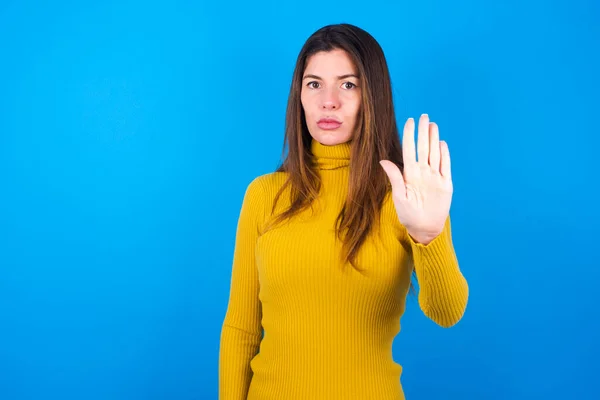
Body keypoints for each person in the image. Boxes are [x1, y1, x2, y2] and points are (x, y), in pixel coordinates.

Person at [219, 23, 469, 400]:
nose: (328, 101)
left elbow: (447, 312)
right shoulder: (264, 195)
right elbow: (241, 329)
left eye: (348, 84)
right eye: (314, 84)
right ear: (299, 96)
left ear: (373, 96)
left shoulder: (406, 195)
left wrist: (428, 236)